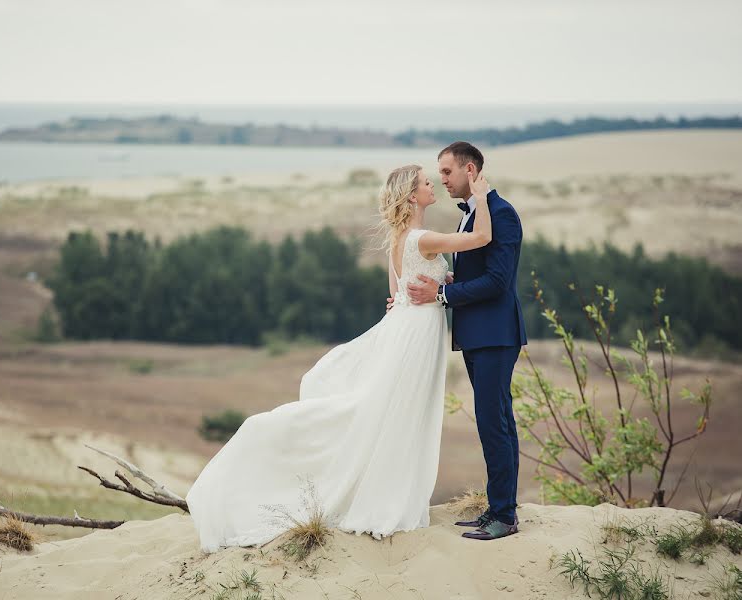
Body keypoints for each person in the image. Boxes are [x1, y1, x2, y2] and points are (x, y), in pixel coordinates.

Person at [185, 163, 492, 553]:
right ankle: (388, 499)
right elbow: (482, 237)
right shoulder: (423, 238)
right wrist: (481, 197)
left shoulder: (401, 238)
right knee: (399, 413)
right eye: (426, 182)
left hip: (408, 328)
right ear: (413, 195)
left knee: (392, 412)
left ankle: (390, 493)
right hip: (416, 335)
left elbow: (397, 294)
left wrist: (442, 282)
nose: (433, 185)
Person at [407, 141, 527, 540]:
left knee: (495, 423)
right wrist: (447, 283)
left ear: (470, 170)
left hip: (496, 335)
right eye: (438, 174)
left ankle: (504, 516)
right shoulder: (472, 215)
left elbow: (497, 282)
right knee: (496, 421)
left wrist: (441, 296)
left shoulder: (503, 215)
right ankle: (498, 508)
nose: (442, 180)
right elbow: (477, 273)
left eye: (446, 172)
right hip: (478, 334)